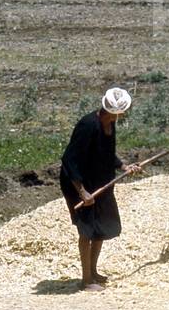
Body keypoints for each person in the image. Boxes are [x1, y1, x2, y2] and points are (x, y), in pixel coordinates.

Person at [59, 88, 141, 292]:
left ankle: (93, 272)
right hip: (78, 181)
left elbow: (106, 153)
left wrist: (124, 166)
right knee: (87, 229)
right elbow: (69, 159)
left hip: (100, 181)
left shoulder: (110, 124)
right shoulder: (88, 125)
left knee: (101, 226)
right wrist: (82, 191)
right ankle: (86, 280)